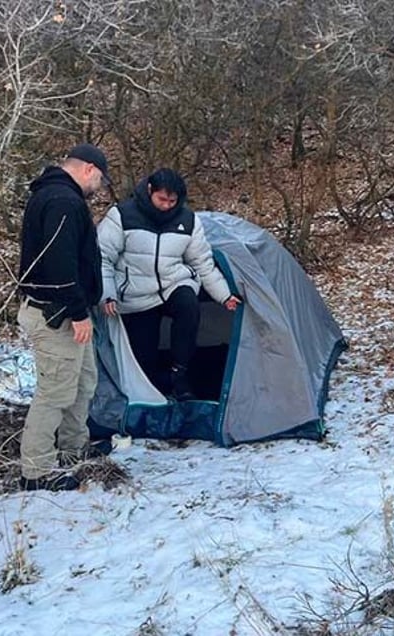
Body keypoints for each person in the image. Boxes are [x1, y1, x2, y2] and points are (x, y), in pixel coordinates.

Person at [16, 143, 112, 492]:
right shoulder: (62, 202)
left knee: (84, 381)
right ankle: (36, 471)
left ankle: (73, 449)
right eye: (100, 179)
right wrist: (77, 312)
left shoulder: (58, 196)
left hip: (69, 313)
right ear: (88, 169)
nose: (99, 187)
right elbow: (59, 264)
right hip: (56, 315)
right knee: (55, 392)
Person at [97, 168, 241, 400]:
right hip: (136, 293)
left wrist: (224, 295)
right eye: (162, 199)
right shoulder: (122, 216)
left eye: (172, 201)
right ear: (150, 190)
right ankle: (154, 385)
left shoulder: (188, 220)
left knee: (188, 304)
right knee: (144, 356)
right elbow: (102, 257)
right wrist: (108, 294)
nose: (166, 206)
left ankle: (180, 373)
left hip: (173, 284)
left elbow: (202, 262)